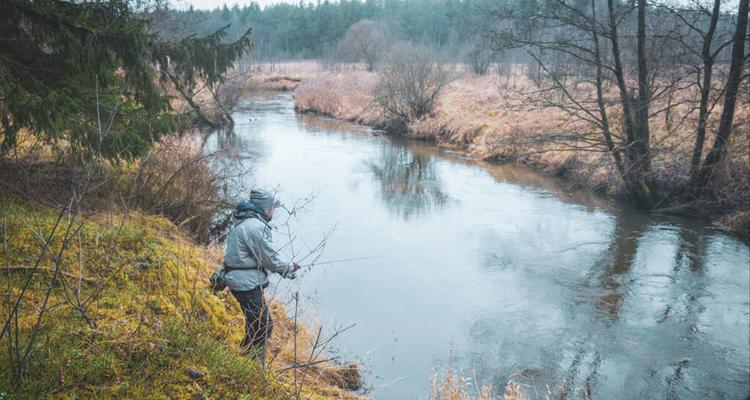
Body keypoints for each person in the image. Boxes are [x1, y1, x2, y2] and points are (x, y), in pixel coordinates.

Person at [221, 188, 300, 367]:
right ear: (265, 208)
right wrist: (288, 268)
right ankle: (251, 367)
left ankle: (244, 359)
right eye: (272, 207)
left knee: (255, 323)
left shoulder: (242, 222)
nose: (273, 211)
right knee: (263, 326)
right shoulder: (255, 226)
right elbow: (269, 258)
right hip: (246, 284)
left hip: (241, 281)